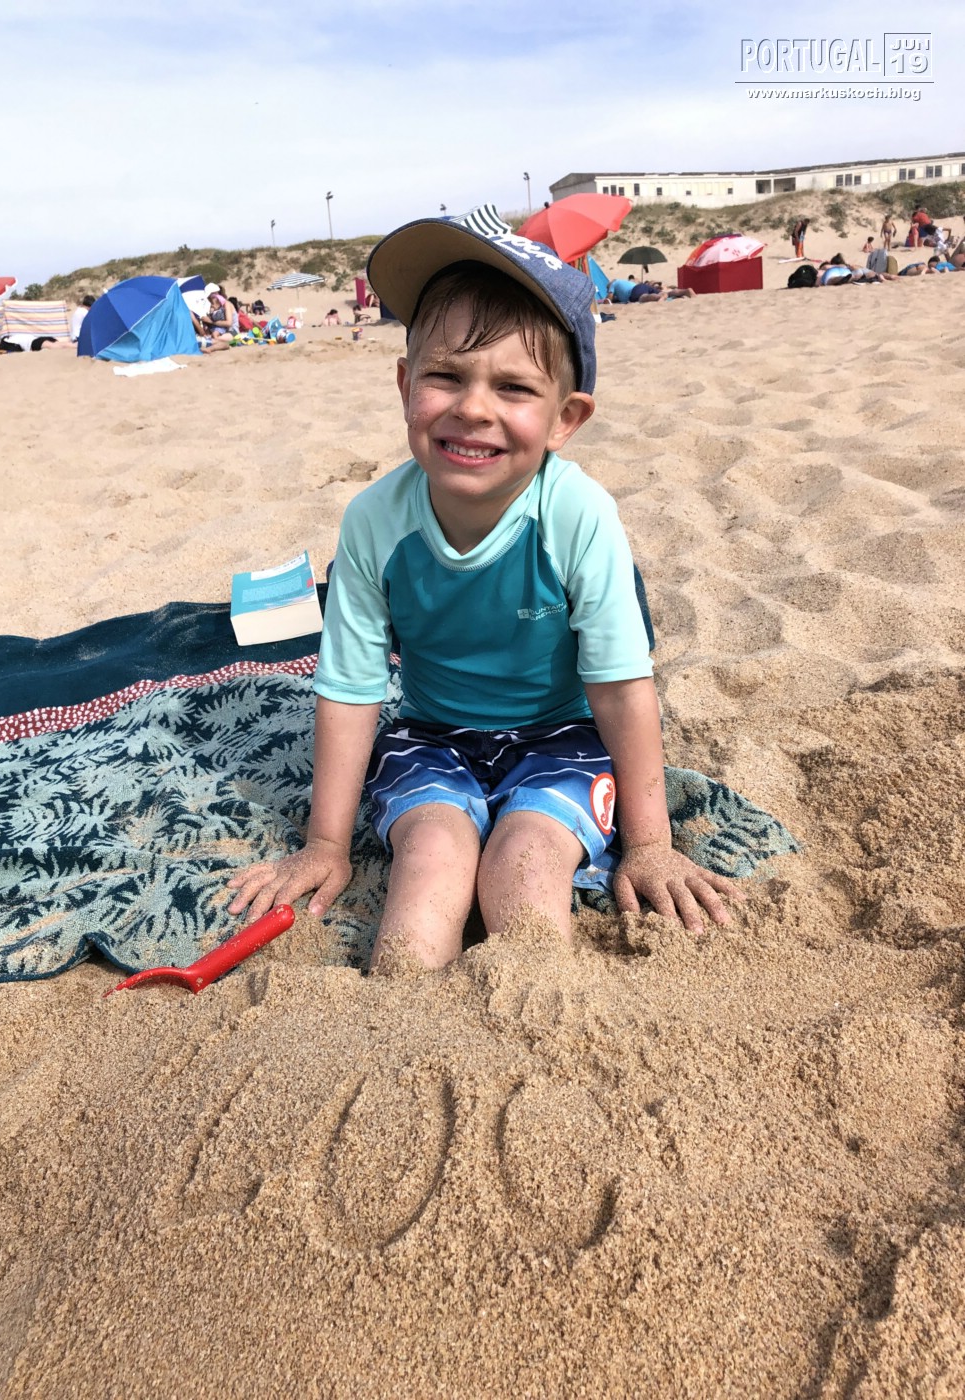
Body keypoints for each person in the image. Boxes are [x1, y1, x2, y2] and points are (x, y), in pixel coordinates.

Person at [226, 217, 742, 970]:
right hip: (432, 737)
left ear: (565, 419)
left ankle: (533, 1012)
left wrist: (652, 844)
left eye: (513, 387)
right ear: (405, 385)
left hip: (561, 739)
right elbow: (351, 688)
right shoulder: (375, 521)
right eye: (445, 376)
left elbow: (621, 685)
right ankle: (399, 1021)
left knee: (526, 866)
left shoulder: (577, 513)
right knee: (429, 868)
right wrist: (326, 844)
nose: (472, 407)